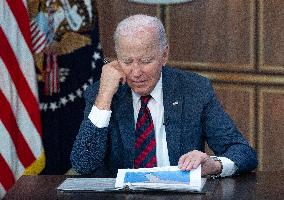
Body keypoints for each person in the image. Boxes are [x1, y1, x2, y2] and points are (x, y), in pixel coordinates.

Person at [71, 14, 257, 178]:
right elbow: (83, 164)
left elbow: (243, 152)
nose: (136, 72)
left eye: (145, 61)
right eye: (126, 61)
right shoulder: (102, 93)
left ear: (164, 55)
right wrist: (104, 97)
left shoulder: (194, 89)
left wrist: (214, 165)